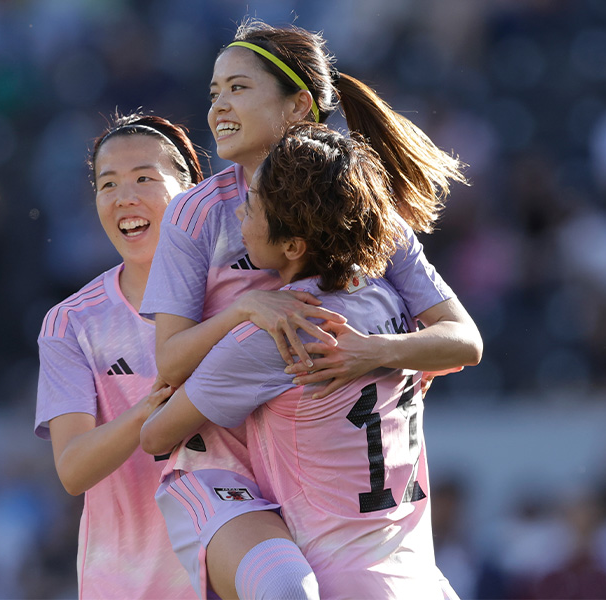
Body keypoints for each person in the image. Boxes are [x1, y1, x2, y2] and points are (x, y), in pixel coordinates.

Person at [139, 18, 483, 600]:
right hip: (221, 465)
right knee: (286, 589)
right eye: (214, 91)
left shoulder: (367, 209)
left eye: (239, 88)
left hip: (321, 470)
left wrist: (375, 354)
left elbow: (463, 339)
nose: (219, 104)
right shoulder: (196, 214)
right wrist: (248, 307)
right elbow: (169, 364)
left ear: (299, 106)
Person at [34, 111, 204, 599]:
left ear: (190, 191)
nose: (124, 197)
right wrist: (152, 407)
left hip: (235, 575)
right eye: (108, 184)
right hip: (127, 586)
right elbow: (73, 468)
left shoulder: (236, 299)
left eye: (144, 178)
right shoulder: (72, 322)